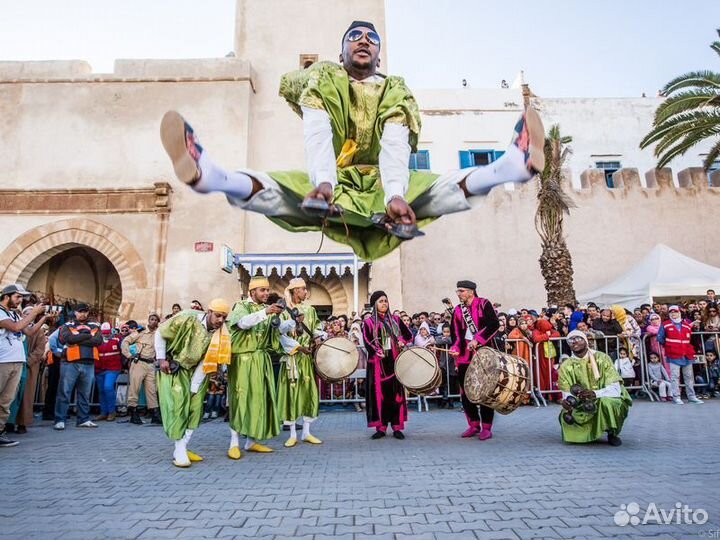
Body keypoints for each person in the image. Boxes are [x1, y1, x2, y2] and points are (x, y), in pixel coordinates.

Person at [159, 21, 545, 261]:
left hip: (383, 184)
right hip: (334, 184)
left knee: (432, 190)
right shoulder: (324, 78)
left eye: (371, 38)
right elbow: (317, 130)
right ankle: (209, 175)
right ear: (341, 50)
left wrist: (395, 193)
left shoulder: (395, 89)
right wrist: (324, 182)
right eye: (354, 37)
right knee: (282, 190)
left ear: (379, 54)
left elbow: (395, 143)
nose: (364, 41)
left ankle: (510, 165)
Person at [155, 299, 231, 467]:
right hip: (175, 367)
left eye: (224, 318)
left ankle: (181, 447)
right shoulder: (187, 317)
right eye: (218, 316)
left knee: (195, 408)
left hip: (198, 371)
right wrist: (161, 359)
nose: (220, 320)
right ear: (209, 312)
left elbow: (207, 360)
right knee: (179, 407)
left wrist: (194, 387)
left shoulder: (222, 334)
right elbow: (160, 333)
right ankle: (180, 450)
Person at [226, 276, 282, 457]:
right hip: (243, 359)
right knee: (240, 398)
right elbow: (242, 323)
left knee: (258, 399)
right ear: (252, 292)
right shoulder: (241, 306)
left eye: (267, 290)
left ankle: (251, 442)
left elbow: (273, 336)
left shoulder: (265, 310)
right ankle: (234, 443)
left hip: (260, 359)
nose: (266, 293)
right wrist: (266, 313)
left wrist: (278, 321)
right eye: (262, 290)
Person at [558, 330, 631, 446]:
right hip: (582, 402)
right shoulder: (566, 366)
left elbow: (615, 389)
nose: (574, 342)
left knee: (608, 404)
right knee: (565, 415)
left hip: (606, 397)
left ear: (586, 341)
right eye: (571, 340)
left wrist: (595, 394)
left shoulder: (602, 358)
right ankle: (584, 435)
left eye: (578, 339)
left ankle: (612, 433)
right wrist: (567, 402)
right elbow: (566, 392)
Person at [276, 277, 325, 448]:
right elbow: (279, 333)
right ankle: (292, 434)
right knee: (291, 394)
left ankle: (306, 432)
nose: (305, 292)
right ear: (295, 291)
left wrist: (319, 337)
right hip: (292, 358)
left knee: (307, 392)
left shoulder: (310, 310)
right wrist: (298, 347)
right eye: (303, 289)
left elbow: (316, 327)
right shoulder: (284, 310)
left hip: (306, 358)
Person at [449, 280, 500, 440]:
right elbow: (455, 333)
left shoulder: (484, 304)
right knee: (466, 391)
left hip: (484, 354)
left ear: (471, 291)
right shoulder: (458, 310)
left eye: (461, 291)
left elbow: (494, 325)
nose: (459, 294)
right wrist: (456, 348)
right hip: (465, 357)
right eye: (458, 291)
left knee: (485, 390)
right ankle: (473, 424)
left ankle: (486, 427)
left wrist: (478, 340)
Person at [0, 285, 48, 446]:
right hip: (3, 361)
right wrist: (33, 312)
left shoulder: (14, 314)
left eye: (22, 297)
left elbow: (29, 331)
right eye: (17, 297)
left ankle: (0, 432)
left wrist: (43, 318)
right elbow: (15, 328)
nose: (20, 300)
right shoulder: (1, 312)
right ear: (6, 296)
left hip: (16, 361)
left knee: (6, 401)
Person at [362, 291, 413, 439]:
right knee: (380, 397)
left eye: (386, 300)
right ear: (374, 305)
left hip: (395, 363)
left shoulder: (396, 320)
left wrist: (402, 341)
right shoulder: (368, 323)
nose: (384, 303)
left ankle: (397, 427)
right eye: (380, 301)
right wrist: (376, 350)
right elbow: (366, 340)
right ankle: (381, 427)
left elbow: (409, 335)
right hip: (378, 365)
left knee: (396, 396)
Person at [54, 304, 103, 430]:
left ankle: (83, 419)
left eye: (85, 312)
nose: (83, 314)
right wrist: (87, 335)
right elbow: (68, 339)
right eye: (80, 312)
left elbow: (98, 341)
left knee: (85, 393)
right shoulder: (67, 325)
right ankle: (60, 419)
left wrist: (78, 338)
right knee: (65, 392)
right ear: (75, 312)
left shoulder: (95, 326)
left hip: (88, 363)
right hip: (70, 362)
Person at [657, 305, 703, 405]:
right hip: (673, 354)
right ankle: (676, 397)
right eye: (671, 312)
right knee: (675, 376)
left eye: (675, 312)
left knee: (689, 376)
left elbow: (690, 338)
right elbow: (660, 338)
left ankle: (691, 396)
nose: (673, 314)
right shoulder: (665, 325)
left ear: (679, 313)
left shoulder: (686, 325)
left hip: (687, 353)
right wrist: (670, 346)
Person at [121, 314, 161, 425]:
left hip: (150, 364)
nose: (153, 322)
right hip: (139, 362)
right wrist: (129, 355)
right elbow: (125, 341)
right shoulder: (140, 332)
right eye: (152, 319)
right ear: (148, 320)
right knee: (135, 388)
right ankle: (133, 413)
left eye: (156, 320)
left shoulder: (159, 334)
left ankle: (155, 414)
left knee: (152, 390)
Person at [95, 322, 123, 421]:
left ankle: (112, 411)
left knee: (108, 387)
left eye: (107, 332)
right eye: (104, 333)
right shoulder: (97, 340)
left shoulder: (117, 339)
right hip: (99, 368)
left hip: (113, 368)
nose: (106, 334)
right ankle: (103, 412)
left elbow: (123, 351)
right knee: (101, 390)